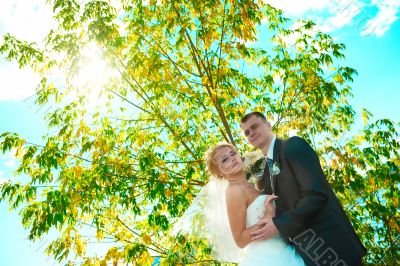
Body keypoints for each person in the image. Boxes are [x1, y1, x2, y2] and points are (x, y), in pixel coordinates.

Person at [240, 111, 367, 266]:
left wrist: (279, 225)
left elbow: (316, 195)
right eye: (247, 132)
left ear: (268, 125)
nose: (251, 133)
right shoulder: (265, 171)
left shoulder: (293, 146)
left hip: (333, 247)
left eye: (254, 127)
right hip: (306, 255)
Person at [204, 142, 305, 265]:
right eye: (224, 160)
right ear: (219, 172)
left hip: (283, 249)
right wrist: (268, 217)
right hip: (268, 258)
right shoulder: (233, 191)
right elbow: (240, 240)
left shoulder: (251, 185)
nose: (232, 158)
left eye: (233, 153)